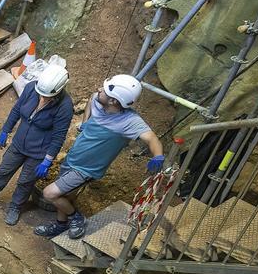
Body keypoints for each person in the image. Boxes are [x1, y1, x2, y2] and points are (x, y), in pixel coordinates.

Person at [35, 74, 164, 240]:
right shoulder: (98, 100)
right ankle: (61, 225)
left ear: (114, 101)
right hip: (72, 158)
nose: (98, 90)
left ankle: (76, 218)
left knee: (50, 194)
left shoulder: (130, 122)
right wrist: (85, 121)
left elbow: (152, 138)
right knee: (65, 195)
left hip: (86, 169)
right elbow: (91, 99)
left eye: (104, 90)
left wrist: (158, 156)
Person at [0, 64, 73, 226]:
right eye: (41, 94)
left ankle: (15, 207)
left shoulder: (65, 106)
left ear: (58, 91)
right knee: (3, 170)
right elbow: (17, 110)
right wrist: (6, 129)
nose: (42, 98)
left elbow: (59, 136)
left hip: (38, 152)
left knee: (25, 182)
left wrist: (47, 160)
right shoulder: (32, 88)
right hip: (18, 144)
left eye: (47, 97)